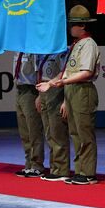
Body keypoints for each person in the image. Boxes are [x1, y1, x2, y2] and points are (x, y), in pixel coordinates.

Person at [38, 5, 100, 185]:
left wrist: (63, 82)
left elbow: (86, 72)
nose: (70, 27)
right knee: (75, 132)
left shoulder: (89, 44)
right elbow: (66, 71)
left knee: (84, 131)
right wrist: (50, 83)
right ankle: (80, 169)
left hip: (83, 90)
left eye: (73, 24)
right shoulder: (76, 45)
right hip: (72, 90)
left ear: (82, 26)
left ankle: (88, 172)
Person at [36, 51, 71, 181]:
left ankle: (61, 169)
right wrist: (40, 96)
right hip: (44, 89)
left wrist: (66, 100)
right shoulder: (44, 51)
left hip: (57, 89)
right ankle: (54, 168)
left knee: (57, 131)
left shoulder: (63, 50)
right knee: (49, 132)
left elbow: (66, 74)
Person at [12, 51, 45, 178]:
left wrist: (39, 95)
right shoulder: (17, 50)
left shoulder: (34, 50)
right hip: (19, 89)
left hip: (31, 90)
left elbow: (39, 72)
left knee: (34, 130)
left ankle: (37, 165)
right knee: (24, 131)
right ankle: (29, 163)